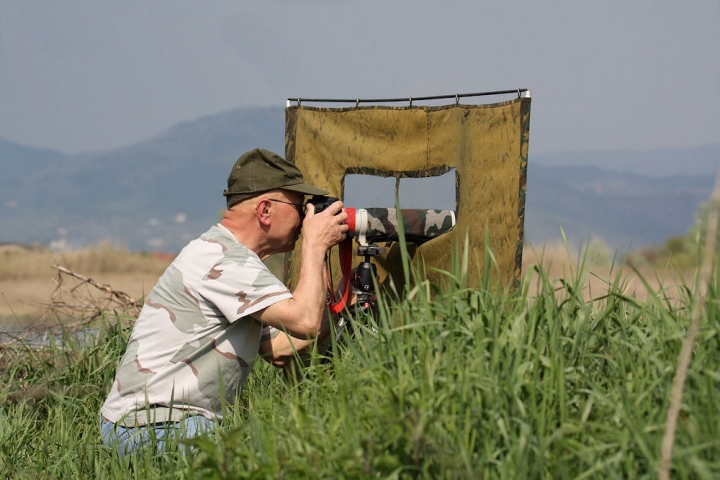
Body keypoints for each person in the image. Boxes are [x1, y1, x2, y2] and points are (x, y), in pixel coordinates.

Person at [99, 148, 349, 456]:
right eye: (300, 207)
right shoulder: (225, 260)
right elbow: (306, 322)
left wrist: (343, 302)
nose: (305, 218)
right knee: (253, 456)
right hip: (146, 426)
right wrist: (315, 243)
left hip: (157, 423)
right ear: (265, 210)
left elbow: (284, 348)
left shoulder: (232, 258)